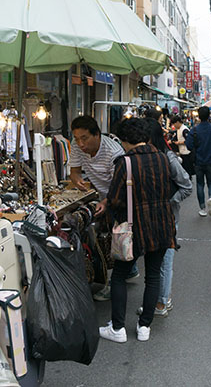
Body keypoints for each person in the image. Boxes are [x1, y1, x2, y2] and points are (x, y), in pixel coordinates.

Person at [97, 118, 177, 343]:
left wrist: (108, 205)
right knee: (153, 276)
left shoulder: (126, 163)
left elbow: (114, 198)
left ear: (125, 141)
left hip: (135, 229)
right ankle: (144, 327)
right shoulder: (163, 158)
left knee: (120, 276)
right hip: (162, 225)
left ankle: (118, 328)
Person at [68, 115, 137, 300]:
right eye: (77, 139)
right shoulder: (76, 146)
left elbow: (119, 186)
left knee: (114, 239)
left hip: (118, 197)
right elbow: (74, 172)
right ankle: (129, 269)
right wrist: (78, 181)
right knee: (105, 238)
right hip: (100, 195)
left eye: (85, 138)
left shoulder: (114, 152)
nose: (81, 144)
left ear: (97, 134)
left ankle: (112, 282)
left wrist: (106, 203)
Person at [145, 118, 192, 317]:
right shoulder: (142, 157)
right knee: (154, 261)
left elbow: (186, 186)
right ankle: (156, 300)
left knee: (165, 261)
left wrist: (170, 202)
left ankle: (162, 303)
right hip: (147, 218)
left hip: (168, 217)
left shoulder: (168, 158)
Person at [185, 106, 211, 217]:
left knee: (200, 184)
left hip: (198, 161)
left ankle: (202, 208)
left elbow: (188, 145)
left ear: (199, 115)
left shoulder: (194, 130)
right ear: (209, 116)